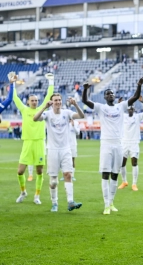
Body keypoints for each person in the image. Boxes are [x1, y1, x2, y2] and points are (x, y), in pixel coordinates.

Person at [82, 77, 143, 215]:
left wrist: (139, 85)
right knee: (105, 174)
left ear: (114, 96)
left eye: (112, 93)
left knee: (115, 175)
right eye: (108, 93)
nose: (110, 95)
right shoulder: (101, 107)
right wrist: (86, 89)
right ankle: (105, 204)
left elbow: (134, 97)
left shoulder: (120, 107)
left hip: (118, 144)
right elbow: (85, 101)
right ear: (104, 97)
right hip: (106, 144)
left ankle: (111, 202)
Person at [33, 95, 85, 212]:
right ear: (52, 102)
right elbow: (35, 118)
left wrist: (76, 104)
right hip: (52, 150)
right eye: (55, 100)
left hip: (66, 149)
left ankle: (70, 202)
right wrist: (43, 108)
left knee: (68, 175)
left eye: (59, 100)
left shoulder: (66, 113)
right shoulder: (48, 114)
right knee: (54, 181)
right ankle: (54, 202)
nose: (58, 102)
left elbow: (81, 116)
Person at [14, 73, 54, 204]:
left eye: (36, 100)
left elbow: (49, 95)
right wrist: (12, 83)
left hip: (39, 142)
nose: (35, 102)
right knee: (20, 171)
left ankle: (37, 196)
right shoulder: (24, 110)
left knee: (39, 171)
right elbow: (14, 98)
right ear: (28, 102)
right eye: (32, 100)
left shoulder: (42, 110)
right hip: (27, 143)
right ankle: (23, 192)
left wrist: (51, 81)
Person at [118, 95, 143, 191]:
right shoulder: (123, 117)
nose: (131, 109)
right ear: (127, 109)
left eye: (132, 107)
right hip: (124, 143)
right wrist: (119, 104)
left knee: (134, 162)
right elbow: (116, 111)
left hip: (134, 143)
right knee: (122, 163)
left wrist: (142, 102)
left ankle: (134, 184)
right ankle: (124, 181)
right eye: (129, 107)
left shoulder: (138, 117)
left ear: (134, 108)